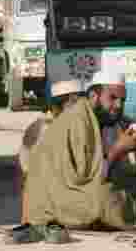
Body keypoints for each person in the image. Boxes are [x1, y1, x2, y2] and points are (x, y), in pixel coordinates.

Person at [10, 71, 136, 244]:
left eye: (122, 100)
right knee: (105, 199)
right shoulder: (79, 121)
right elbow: (90, 179)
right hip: (55, 201)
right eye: (112, 98)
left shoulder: (95, 119)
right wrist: (118, 149)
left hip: (68, 192)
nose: (119, 105)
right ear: (94, 96)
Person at [17, 80, 83, 224]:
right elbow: (26, 177)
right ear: (57, 107)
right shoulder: (40, 129)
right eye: (72, 104)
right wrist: (25, 220)